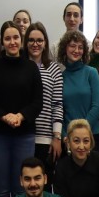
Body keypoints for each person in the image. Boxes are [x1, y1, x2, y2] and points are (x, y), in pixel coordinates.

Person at [0, 21, 43, 197]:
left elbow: (38, 101)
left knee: (20, 190)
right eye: (7, 38)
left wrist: (20, 116)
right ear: (3, 42)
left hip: (24, 135)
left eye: (15, 38)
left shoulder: (31, 68)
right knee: (0, 192)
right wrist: (4, 116)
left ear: (21, 40)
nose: (12, 42)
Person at [25, 22, 63, 176]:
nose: (35, 44)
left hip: (45, 138)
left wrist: (57, 137)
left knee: (44, 184)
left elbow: (57, 105)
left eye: (39, 40)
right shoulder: (20, 66)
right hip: (22, 136)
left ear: (45, 43)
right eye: (31, 40)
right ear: (25, 42)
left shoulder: (54, 69)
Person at [57, 30, 99, 139]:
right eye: (72, 46)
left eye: (80, 47)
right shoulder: (60, 77)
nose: (76, 50)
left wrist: (82, 130)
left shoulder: (91, 72)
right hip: (69, 137)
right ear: (65, 48)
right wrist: (64, 134)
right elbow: (60, 111)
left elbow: (97, 105)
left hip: (92, 134)